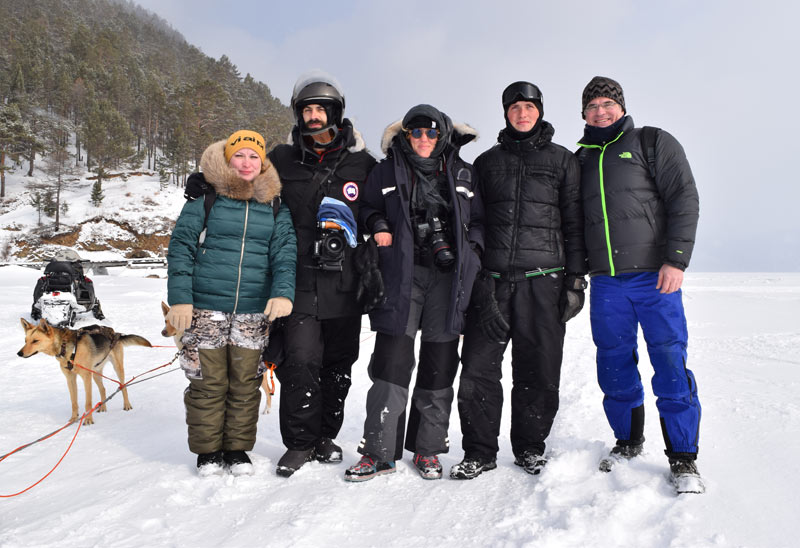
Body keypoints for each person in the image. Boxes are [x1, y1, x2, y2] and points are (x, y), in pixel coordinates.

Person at [450, 82, 586, 480]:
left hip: (544, 282)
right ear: (506, 113)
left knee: (539, 370)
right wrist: (476, 282)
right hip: (492, 283)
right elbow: (473, 225)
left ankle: (529, 448)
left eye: (529, 107)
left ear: (539, 111)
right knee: (477, 370)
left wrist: (576, 281)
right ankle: (479, 451)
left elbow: (574, 224)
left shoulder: (563, 161)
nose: (522, 114)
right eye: (515, 108)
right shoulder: (487, 163)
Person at [575, 76, 703, 493]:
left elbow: (683, 197)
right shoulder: (580, 159)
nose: (600, 111)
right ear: (584, 114)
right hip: (607, 282)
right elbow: (574, 224)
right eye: (592, 105)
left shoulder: (652, 142)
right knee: (613, 364)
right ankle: (627, 441)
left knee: (668, 361)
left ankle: (683, 458)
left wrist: (676, 260)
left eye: (607, 104)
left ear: (621, 107)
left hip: (655, 277)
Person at [344, 104, 484, 482]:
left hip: (447, 279)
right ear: (406, 135)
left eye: (431, 132)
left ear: (442, 135)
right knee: (391, 364)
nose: (424, 139)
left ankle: (427, 450)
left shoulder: (463, 172)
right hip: (400, 276)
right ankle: (378, 450)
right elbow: (367, 208)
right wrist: (378, 224)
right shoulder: (386, 170)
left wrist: (473, 248)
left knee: (439, 364)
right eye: (416, 132)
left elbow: (481, 221)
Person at [166, 130, 297, 477]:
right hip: (206, 308)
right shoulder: (204, 201)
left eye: (254, 157)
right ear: (227, 159)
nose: (246, 162)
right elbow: (181, 248)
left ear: (263, 163)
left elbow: (284, 253)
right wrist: (180, 300)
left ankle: (237, 449)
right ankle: (208, 452)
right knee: (208, 382)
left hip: (253, 310)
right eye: (239, 155)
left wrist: (283, 292)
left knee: (244, 382)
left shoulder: (275, 206)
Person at [266, 71, 377, 477]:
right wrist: (207, 183)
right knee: (299, 361)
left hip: (344, 282)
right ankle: (299, 442)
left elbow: (387, 203)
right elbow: (243, 180)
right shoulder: (280, 158)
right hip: (296, 281)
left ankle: (326, 435)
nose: (314, 116)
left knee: (338, 364)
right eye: (307, 109)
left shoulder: (363, 164)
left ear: (336, 112)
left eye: (320, 109)